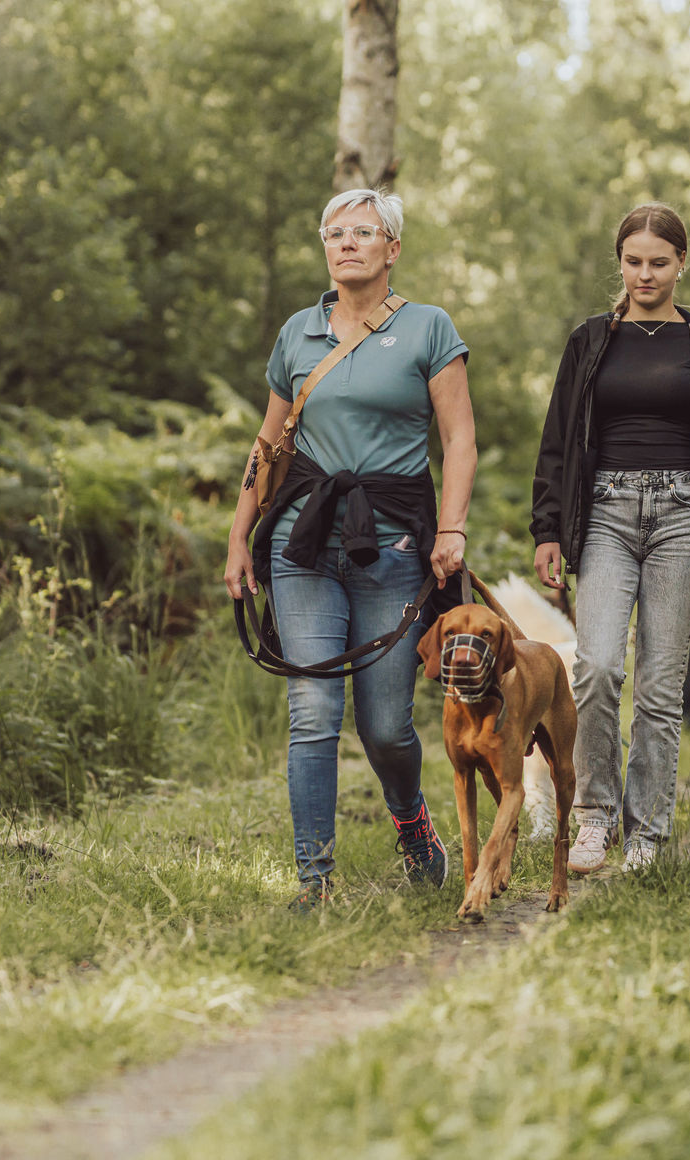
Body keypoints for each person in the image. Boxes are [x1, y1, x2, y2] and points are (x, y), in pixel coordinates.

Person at [222, 188, 476, 913]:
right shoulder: (297, 334)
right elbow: (270, 445)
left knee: (387, 726)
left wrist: (451, 530)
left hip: (391, 547)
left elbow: (459, 439)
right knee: (311, 712)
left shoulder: (429, 328)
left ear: (392, 249)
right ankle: (315, 881)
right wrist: (240, 537)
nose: (347, 244)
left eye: (363, 232)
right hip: (302, 544)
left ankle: (411, 823)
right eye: (335, 233)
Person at [531, 203, 690, 873]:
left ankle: (649, 835)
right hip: (603, 510)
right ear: (620, 262)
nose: (645, 274)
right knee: (598, 666)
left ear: (682, 264)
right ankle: (595, 817)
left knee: (661, 686)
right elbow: (557, 442)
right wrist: (548, 528)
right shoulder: (591, 341)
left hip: (683, 518)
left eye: (659, 263)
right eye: (633, 262)